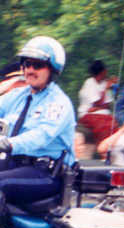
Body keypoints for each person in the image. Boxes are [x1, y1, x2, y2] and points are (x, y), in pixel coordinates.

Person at [0, 36, 75, 211]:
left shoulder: (58, 103)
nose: (30, 70)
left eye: (38, 65)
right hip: (17, 164)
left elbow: (41, 135)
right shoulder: (18, 95)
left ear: (52, 70)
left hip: (46, 173)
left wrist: (9, 143)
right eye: (27, 64)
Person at [77, 59, 118, 142]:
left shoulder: (104, 83)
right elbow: (98, 103)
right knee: (104, 127)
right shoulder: (89, 82)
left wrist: (97, 107)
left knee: (114, 125)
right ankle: (104, 149)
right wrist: (106, 88)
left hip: (103, 114)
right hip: (88, 115)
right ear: (103, 71)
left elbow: (107, 105)